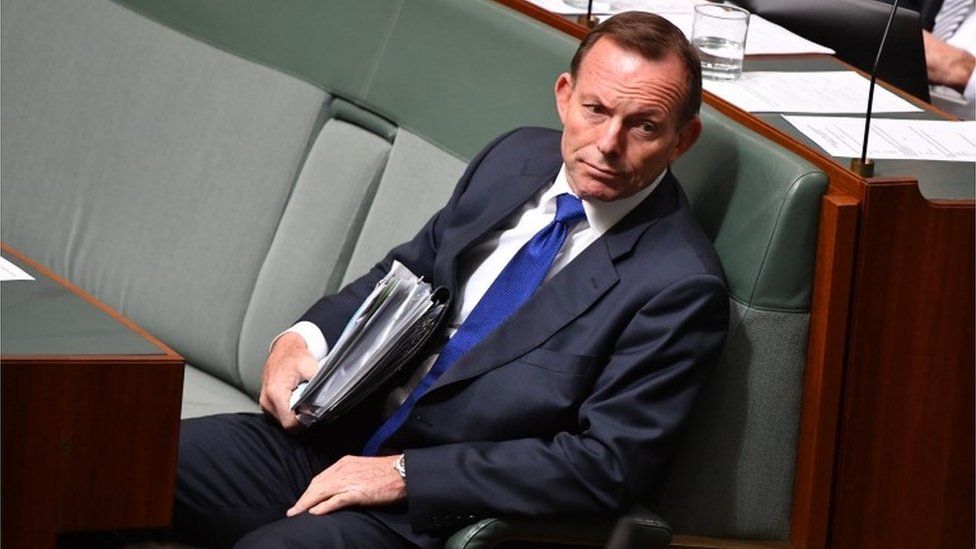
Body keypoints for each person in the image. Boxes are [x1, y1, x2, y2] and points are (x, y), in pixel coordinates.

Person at [173, 11, 729, 549]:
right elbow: (407, 274)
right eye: (595, 110)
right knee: (120, 456)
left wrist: (404, 475)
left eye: (644, 127)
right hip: (332, 439)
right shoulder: (513, 158)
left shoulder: (679, 286)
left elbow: (604, 466)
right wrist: (302, 339)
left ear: (683, 139)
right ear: (564, 95)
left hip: (428, 515)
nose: (609, 144)